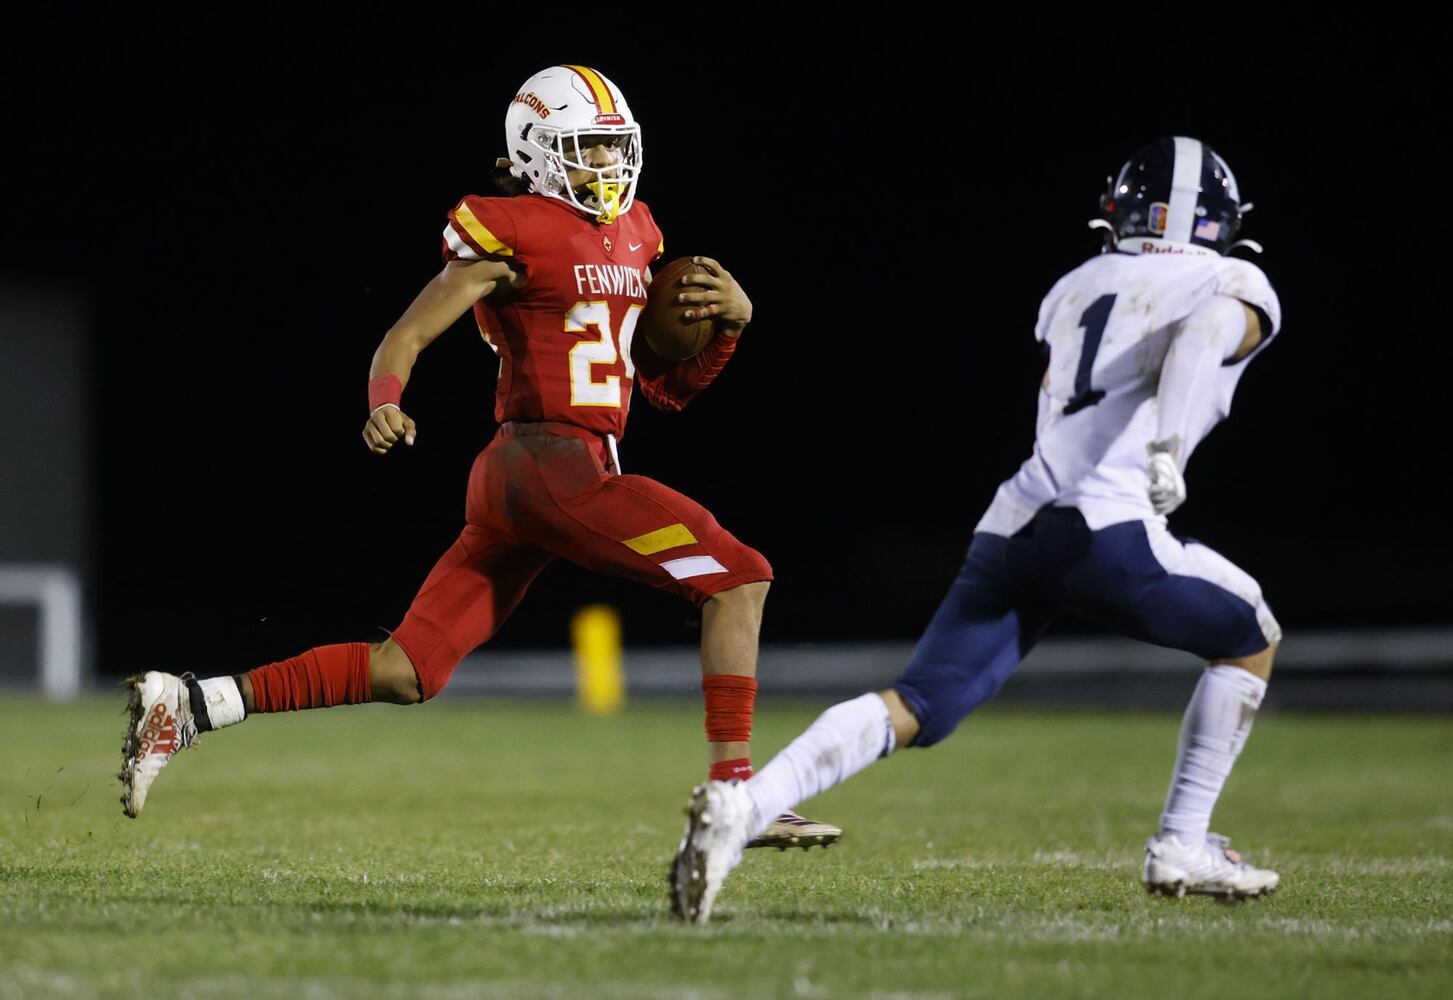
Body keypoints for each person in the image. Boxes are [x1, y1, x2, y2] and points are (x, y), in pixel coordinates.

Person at [118, 64, 839, 851]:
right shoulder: (510, 228)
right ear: (535, 150)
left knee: (408, 670)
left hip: (535, 478)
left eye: (612, 148)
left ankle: (192, 703)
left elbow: (662, 391)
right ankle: (737, 795)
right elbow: (408, 331)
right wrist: (385, 398)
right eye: (584, 150)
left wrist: (730, 327)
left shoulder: (639, 233)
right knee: (739, 577)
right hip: (549, 464)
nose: (605, 166)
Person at [670, 136, 1283, 922]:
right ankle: (1180, 843)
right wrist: (1169, 445)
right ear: (1219, 221)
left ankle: (744, 810)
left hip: (1017, 521)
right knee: (1250, 636)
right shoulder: (1231, 278)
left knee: (917, 702)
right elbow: (1202, 337)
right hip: (1108, 527)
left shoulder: (1076, 284)